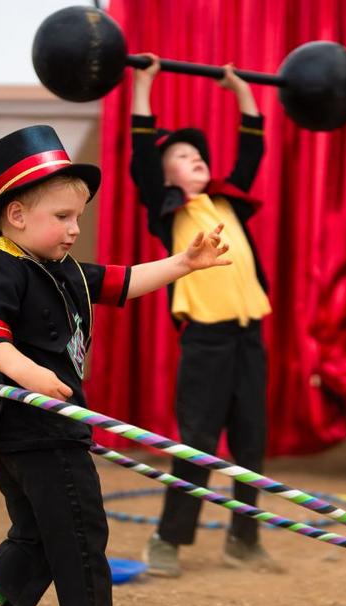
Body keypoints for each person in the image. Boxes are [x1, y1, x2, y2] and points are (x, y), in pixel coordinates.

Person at [0, 124, 231, 606]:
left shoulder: (62, 270)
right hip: (36, 428)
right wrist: (29, 373)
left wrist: (184, 264)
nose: (74, 229)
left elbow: (122, 281)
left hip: (46, 430)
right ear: (16, 215)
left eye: (78, 217)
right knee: (80, 526)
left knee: (38, 534)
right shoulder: (2, 268)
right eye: (63, 217)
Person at [129, 56, 279, 577]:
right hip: (206, 343)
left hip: (249, 339)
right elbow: (141, 155)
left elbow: (253, 146)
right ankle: (167, 542)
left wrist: (241, 89)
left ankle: (244, 539)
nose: (194, 158)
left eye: (197, 153)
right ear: (164, 172)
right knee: (197, 445)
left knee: (250, 441)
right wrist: (144, 84)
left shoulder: (226, 201)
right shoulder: (167, 210)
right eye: (181, 154)